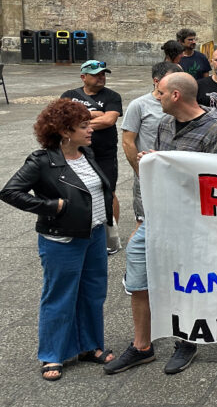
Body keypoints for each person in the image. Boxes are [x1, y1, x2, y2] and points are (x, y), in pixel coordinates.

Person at [105, 72, 217, 376]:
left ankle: (186, 340)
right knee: (138, 274)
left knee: (184, 282)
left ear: (175, 95)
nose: (156, 97)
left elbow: (215, 184)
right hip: (157, 215)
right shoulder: (164, 123)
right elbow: (163, 164)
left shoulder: (216, 129)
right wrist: (153, 160)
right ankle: (142, 346)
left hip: (190, 222)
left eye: (160, 92)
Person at [2, 99, 117, 381]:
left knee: (93, 292)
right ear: (65, 131)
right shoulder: (42, 160)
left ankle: (89, 346)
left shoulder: (86, 153)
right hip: (62, 239)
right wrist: (52, 206)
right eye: (83, 125)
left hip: (94, 234)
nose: (91, 129)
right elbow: (10, 192)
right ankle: (52, 354)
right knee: (60, 295)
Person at [121, 61, 182, 302]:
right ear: (157, 82)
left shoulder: (178, 103)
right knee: (143, 224)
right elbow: (128, 141)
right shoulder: (139, 105)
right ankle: (134, 273)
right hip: (147, 175)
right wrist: (140, 171)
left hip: (173, 179)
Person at [62, 61, 123, 255]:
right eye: (96, 74)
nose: (101, 77)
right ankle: (80, 230)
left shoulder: (112, 96)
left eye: (103, 74)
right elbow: (62, 121)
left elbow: (109, 120)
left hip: (104, 153)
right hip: (76, 153)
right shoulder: (69, 96)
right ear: (83, 77)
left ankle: (110, 236)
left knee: (109, 191)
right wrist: (93, 114)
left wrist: (79, 122)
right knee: (75, 191)